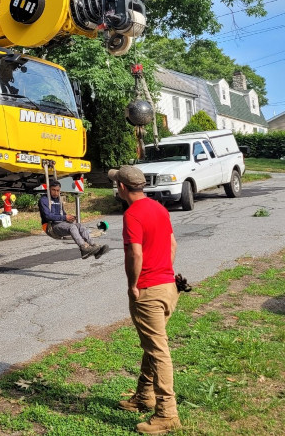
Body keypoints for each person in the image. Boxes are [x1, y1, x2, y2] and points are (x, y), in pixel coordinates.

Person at [109, 164, 181, 435]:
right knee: (153, 343)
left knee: (158, 350)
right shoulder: (159, 208)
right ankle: (144, 395)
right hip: (167, 286)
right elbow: (173, 245)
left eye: (118, 184)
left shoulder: (132, 214)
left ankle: (167, 413)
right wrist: (164, 273)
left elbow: (135, 255)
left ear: (123, 188)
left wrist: (133, 285)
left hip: (148, 291)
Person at [38, 181, 109, 259]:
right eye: (53, 190)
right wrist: (65, 218)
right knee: (72, 227)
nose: (55, 193)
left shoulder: (58, 199)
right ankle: (84, 247)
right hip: (50, 226)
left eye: (58, 190)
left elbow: (62, 213)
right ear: (49, 190)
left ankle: (94, 248)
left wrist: (69, 219)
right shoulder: (43, 200)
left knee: (79, 226)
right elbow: (48, 216)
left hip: (60, 223)